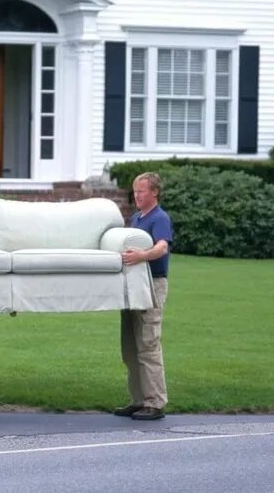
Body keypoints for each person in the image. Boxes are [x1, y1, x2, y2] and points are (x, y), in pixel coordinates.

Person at [115, 171, 173, 421]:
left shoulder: (159, 218)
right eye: (135, 191)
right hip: (132, 286)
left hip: (153, 284)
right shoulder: (137, 218)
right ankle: (138, 400)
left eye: (141, 191)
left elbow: (162, 247)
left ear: (154, 192)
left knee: (148, 344)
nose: (136, 195)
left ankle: (155, 402)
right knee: (130, 346)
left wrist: (142, 255)